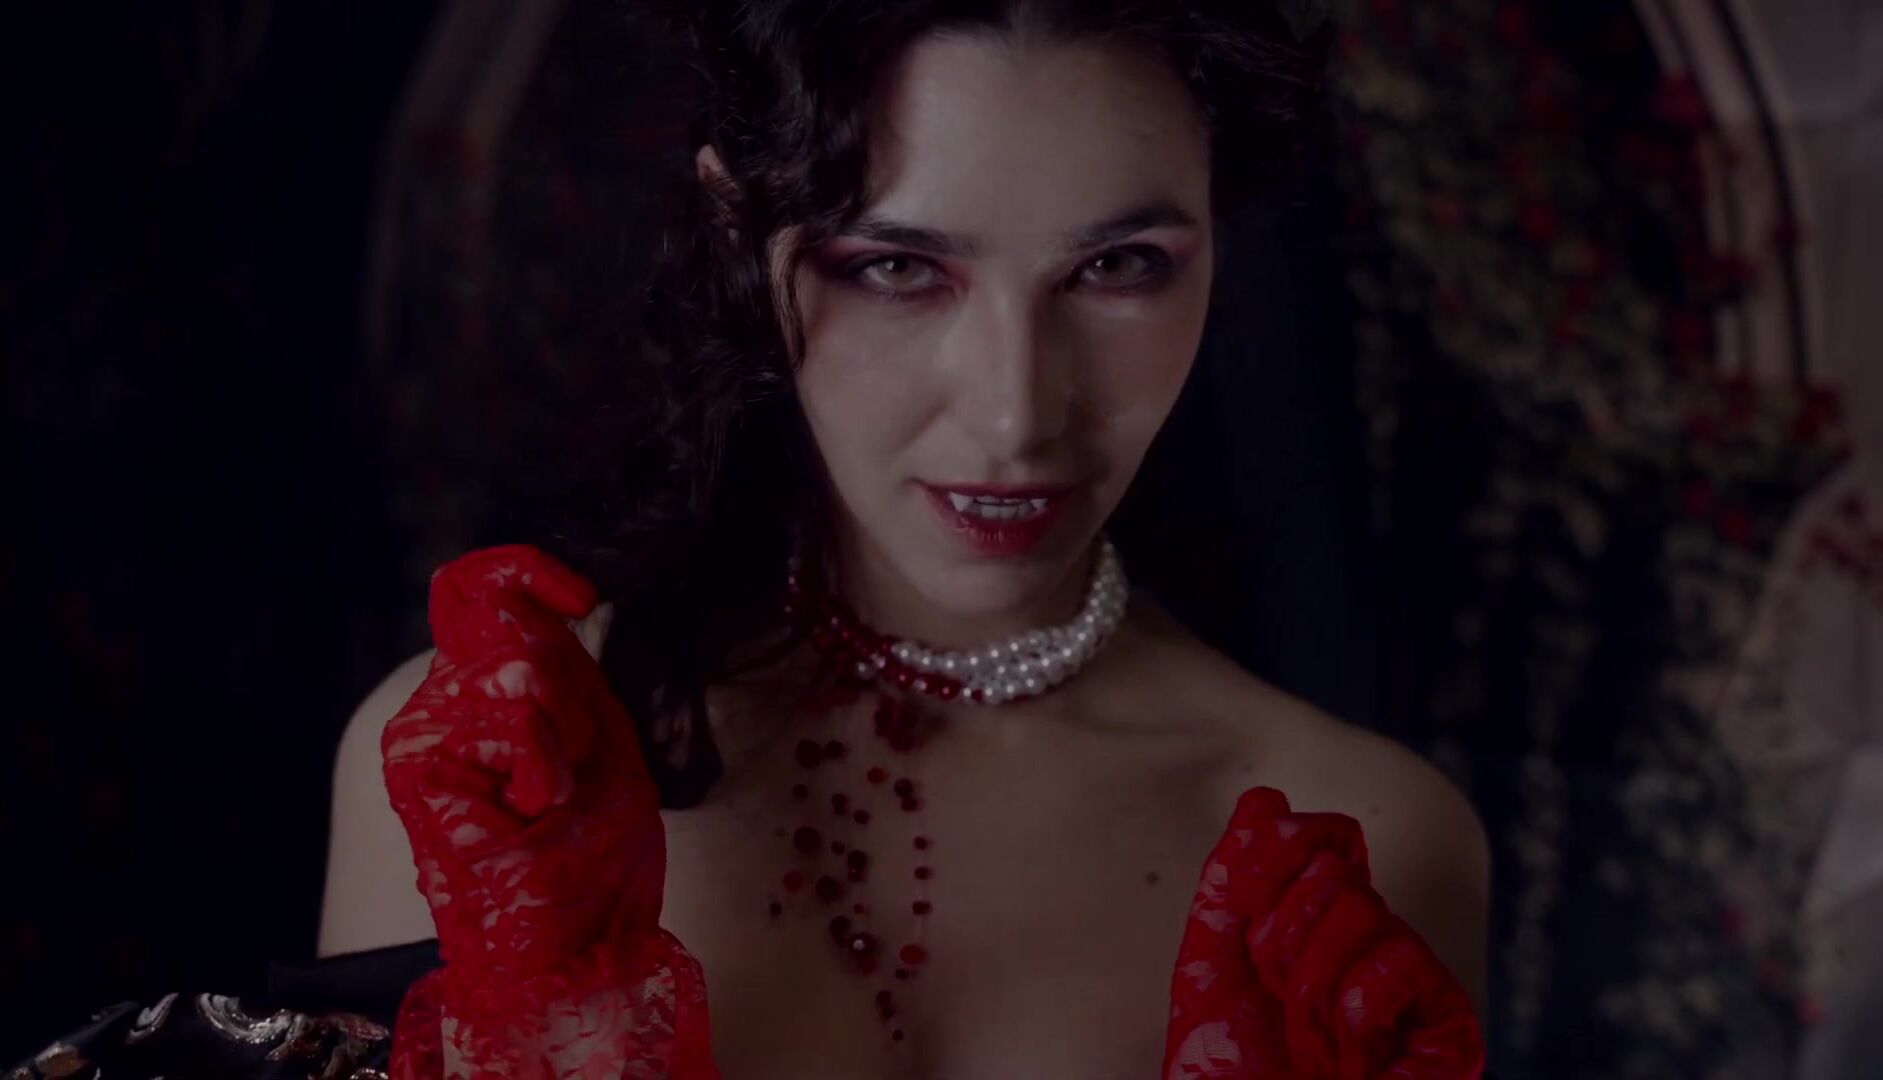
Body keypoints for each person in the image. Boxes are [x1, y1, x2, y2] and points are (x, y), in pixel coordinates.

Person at [8, 2, 1490, 1077]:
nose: (1016, 413)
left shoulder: (1361, 848)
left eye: (1120, 265)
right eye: (898, 268)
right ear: (739, 232)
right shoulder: (491, 785)